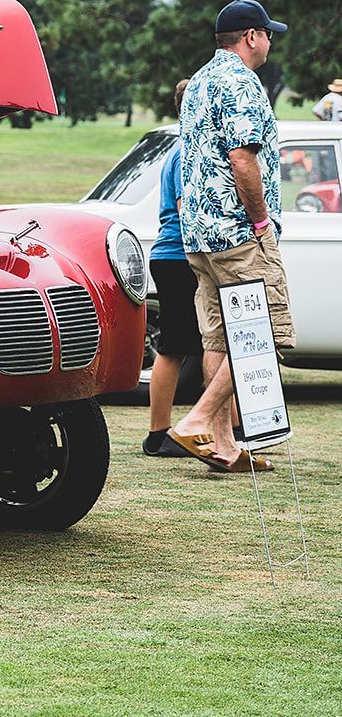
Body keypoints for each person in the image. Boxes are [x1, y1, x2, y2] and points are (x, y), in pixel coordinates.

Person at [168, 0, 294, 472]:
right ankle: (197, 420)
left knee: (219, 339)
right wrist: (260, 222)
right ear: (251, 37)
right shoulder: (242, 83)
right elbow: (243, 158)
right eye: (267, 33)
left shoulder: (199, 81)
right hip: (239, 232)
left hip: (200, 234)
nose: (270, 41)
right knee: (265, 334)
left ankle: (223, 447)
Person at [142, 79, 203, 458]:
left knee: (206, 344)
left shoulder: (187, 147)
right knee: (174, 347)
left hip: (176, 257)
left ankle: (230, 427)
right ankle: (158, 434)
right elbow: (187, 210)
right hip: (180, 257)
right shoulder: (188, 152)